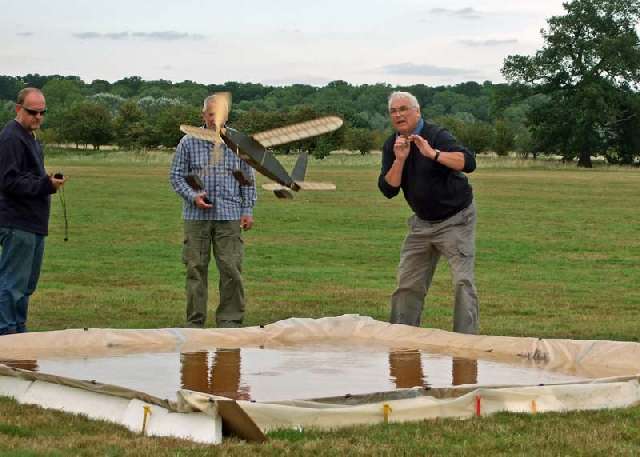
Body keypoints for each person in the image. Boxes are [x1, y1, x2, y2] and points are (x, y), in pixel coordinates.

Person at [378, 91, 479, 334]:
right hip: (421, 224)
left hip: (456, 219)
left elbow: (468, 162)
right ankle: (401, 339)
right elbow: (388, 189)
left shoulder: (436, 135)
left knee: (462, 282)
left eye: (403, 109)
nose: (398, 115)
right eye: (393, 111)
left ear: (417, 111)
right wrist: (400, 159)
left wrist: (433, 153)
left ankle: (466, 341)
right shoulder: (392, 145)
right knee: (407, 284)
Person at [170, 94, 257, 328]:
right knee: (195, 268)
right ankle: (195, 322)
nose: (214, 119)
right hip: (196, 217)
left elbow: (247, 179)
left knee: (231, 268)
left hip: (230, 215)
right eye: (210, 114)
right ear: (203, 115)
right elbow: (176, 177)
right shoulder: (188, 142)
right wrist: (193, 196)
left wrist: (247, 209)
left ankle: (230, 320)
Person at [0, 87, 66, 336]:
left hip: (33, 222)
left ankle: (18, 330)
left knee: (26, 284)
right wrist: (45, 185)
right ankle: (6, 334)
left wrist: (46, 181)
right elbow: (9, 181)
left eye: (42, 112)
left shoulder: (30, 137)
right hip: (17, 222)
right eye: (32, 112)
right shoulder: (11, 138)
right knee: (13, 283)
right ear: (18, 109)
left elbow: (26, 176)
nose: (38, 117)